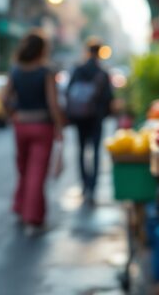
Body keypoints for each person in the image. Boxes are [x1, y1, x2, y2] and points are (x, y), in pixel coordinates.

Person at [2, 30, 64, 234]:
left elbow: (4, 99)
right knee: (36, 174)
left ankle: (20, 209)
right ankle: (33, 219)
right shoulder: (46, 71)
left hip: (21, 126)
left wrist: (14, 114)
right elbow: (53, 104)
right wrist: (59, 128)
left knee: (23, 170)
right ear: (42, 49)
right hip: (42, 127)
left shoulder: (16, 70)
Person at [66, 38, 113, 204]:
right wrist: (104, 112)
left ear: (87, 51)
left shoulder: (78, 69)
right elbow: (109, 97)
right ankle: (93, 187)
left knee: (80, 150)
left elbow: (69, 91)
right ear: (99, 52)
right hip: (96, 117)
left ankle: (84, 185)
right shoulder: (103, 72)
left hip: (80, 117)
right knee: (95, 152)